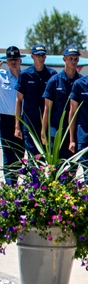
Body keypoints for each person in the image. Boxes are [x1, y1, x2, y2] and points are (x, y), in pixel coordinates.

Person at [41, 46, 83, 159]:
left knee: (72, 170)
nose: (73, 61)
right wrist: (43, 133)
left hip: (75, 133)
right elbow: (47, 109)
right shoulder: (54, 81)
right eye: (71, 58)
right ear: (64, 59)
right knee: (57, 169)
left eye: (76, 59)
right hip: (56, 132)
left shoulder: (81, 82)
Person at [14, 44, 56, 157]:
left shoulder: (52, 75)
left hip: (47, 124)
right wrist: (17, 126)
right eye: (38, 56)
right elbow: (19, 100)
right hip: (29, 123)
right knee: (33, 158)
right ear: (32, 56)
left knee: (47, 159)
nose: (41, 58)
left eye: (43, 55)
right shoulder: (24, 75)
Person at [0, 47, 25, 184]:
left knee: (21, 154)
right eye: (10, 60)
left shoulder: (26, 77)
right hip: (7, 120)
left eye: (15, 59)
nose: (13, 62)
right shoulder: (1, 77)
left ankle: (17, 181)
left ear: (20, 60)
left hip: (23, 120)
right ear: (6, 62)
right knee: (9, 154)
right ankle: (10, 185)